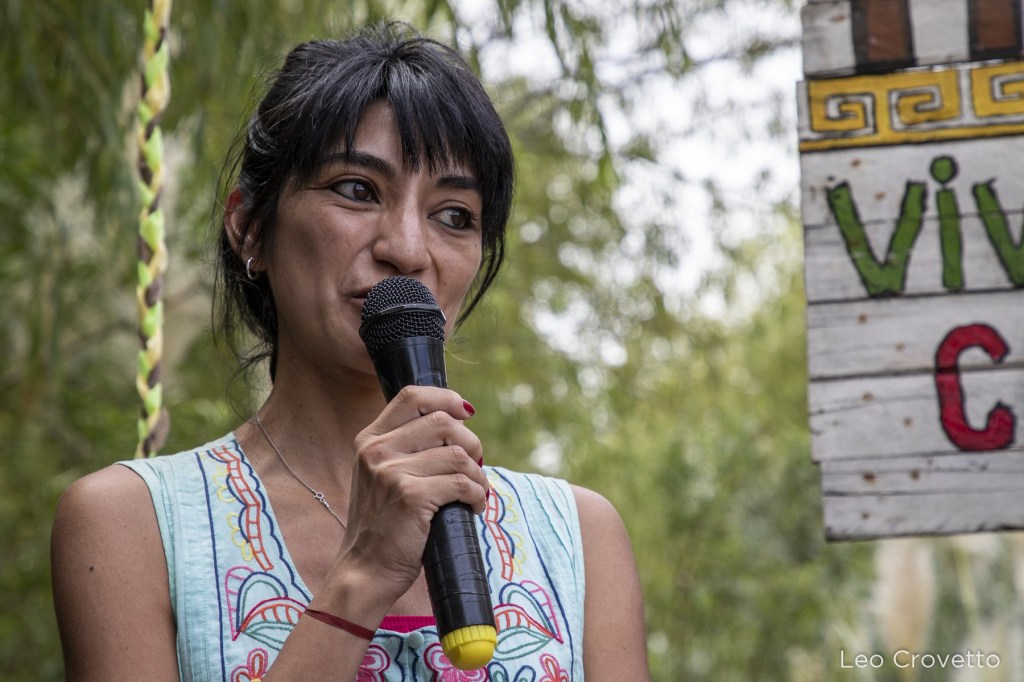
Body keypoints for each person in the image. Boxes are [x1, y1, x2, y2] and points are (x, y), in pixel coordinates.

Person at [51, 21, 649, 681]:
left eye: (454, 215)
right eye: (357, 190)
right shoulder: (128, 524)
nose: (408, 249)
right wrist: (361, 576)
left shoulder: (579, 539)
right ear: (250, 227)